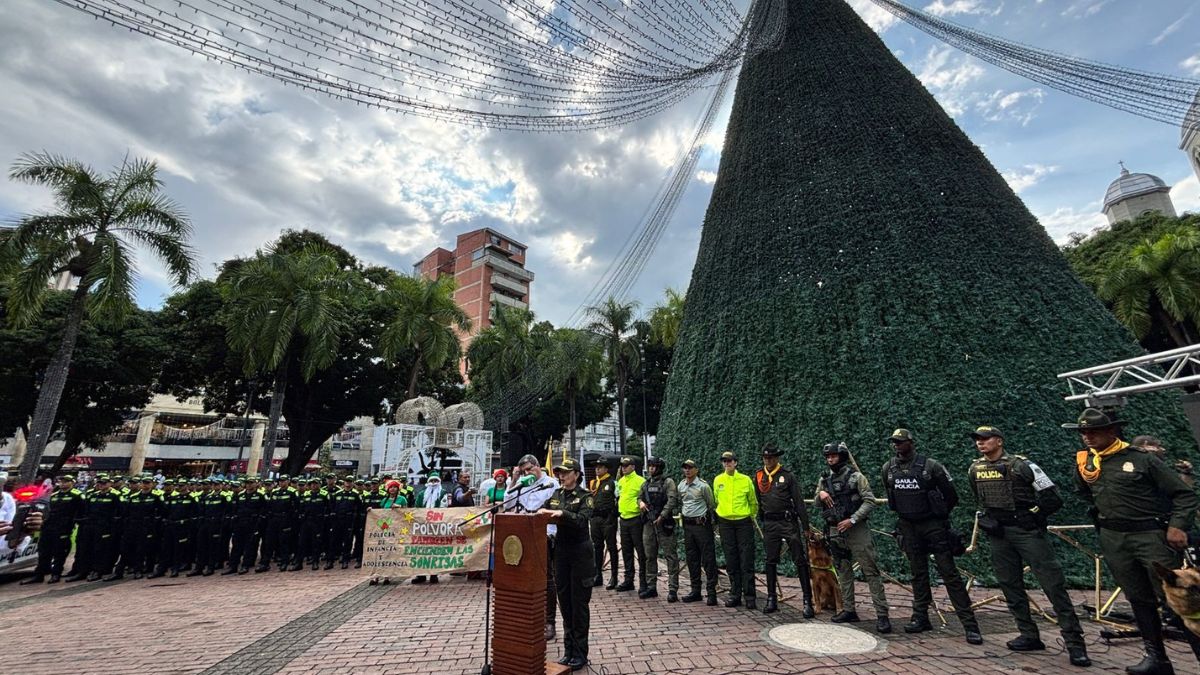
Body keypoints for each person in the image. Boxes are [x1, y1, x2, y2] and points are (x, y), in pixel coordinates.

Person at [1069, 408, 1200, 674]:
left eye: (1093, 431)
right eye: (1083, 432)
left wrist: (1176, 526)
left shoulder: (1142, 460)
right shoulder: (1086, 463)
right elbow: (1085, 493)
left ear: (1111, 431)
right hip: (1115, 539)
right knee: (1138, 599)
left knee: (1177, 599)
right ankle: (1157, 658)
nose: (1087, 437)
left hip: (1149, 536)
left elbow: (1184, 495)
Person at [966, 425, 1089, 667]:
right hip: (999, 534)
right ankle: (1028, 634)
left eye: (985, 439)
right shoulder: (975, 468)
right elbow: (980, 498)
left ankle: (1075, 643)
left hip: (1026, 531)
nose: (980, 443)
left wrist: (1035, 516)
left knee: (1053, 585)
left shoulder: (1023, 465)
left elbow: (1052, 497)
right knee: (1010, 585)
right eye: (977, 440)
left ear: (999, 441)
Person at [881, 428, 982, 644]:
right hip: (908, 526)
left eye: (901, 442)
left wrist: (937, 515)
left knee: (950, 574)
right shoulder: (889, 468)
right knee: (918, 574)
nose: (897, 445)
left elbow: (951, 496)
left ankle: (970, 625)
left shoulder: (931, 466)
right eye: (894, 442)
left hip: (933, 526)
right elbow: (891, 496)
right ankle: (920, 617)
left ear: (911, 442)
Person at [815, 442, 889, 632]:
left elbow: (870, 500)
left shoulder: (856, 477)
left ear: (841, 457)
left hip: (856, 529)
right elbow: (817, 502)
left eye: (834, 456)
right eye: (828, 457)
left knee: (870, 570)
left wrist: (853, 519)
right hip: (835, 530)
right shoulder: (824, 480)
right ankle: (849, 609)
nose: (830, 459)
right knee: (843, 570)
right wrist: (821, 494)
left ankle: (882, 615)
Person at [540, 458, 595, 672]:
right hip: (561, 552)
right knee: (565, 602)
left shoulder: (585, 496)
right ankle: (569, 651)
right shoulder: (555, 495)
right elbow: (542, 512)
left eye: (566, 472)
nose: (561, 476)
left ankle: (580, 653)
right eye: (559, 472)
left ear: (577, 474)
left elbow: (582, 519)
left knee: (579, 604)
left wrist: (563, 514)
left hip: (580, 553)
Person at [755, 443, 814, 617]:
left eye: (771, 457)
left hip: (788, 523)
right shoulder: (758, 476)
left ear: (777, 458)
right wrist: (763, 522)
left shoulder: (787, 476)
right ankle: (771, 598)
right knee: (770, 561)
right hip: (770, 524)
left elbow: (799, 502)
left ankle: (807, 601)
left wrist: (805, 527)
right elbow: (759, 502)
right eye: (765, 458)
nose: (768, 460)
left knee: (800, 560)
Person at [504, 454, 559, 639]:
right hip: (523, 534)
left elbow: (544, 508)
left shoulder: (551, 484)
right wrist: (514, 480)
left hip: (546, 534)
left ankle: (549, 621)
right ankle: (526, 618)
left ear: (537, 466)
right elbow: (508, 503)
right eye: (523, 471)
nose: (527, 473)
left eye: (529, 469)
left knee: (547, 578)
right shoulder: (521, 484)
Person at [23, 474, 85, 584]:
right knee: (43, 551)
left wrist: (74, 523)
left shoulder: (77, 495)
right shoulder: (55, 495)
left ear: (72, 483)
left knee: (59, 552)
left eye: (66, 481)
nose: (63, 484)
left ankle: (56, 574)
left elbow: (82, 511)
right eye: (61, 481)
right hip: (49, 526)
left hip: (64, 527)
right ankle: (39, 575)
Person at [714, 451, 757, 609]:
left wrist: (750, 516)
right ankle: (735, 594)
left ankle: (750, 596)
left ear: (735, 462)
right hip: (725, 523)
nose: (727, 463)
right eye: (724, 461)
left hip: (743, 523)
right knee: (731, 560)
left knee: (746, 559)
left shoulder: (745, 480)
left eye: (729, 461)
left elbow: (753, 501)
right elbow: (716, 499)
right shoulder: (718, 480)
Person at [638, 456, 680, 601]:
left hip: (664, 523)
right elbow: (639, 497)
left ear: (659, 468)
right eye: (649, 466)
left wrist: (662, 516)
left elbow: (672, 499)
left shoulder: (668, 482)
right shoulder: (646, 484)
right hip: (649, 523)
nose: (650, 469)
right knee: (650, 556)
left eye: (653, 466)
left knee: (670, 556)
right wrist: (641, 503)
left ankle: (673, 589)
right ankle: (651, 587)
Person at [66, 474, 123, 582]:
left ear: (110, 484)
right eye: (99, 483)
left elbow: (120, 513)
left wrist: (112, 527)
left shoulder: (116, 495)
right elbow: (86, 510)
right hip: (90, 526)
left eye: (104, 483)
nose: (101, 485)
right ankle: (83, 571)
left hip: (105, 527)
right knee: (86, 548)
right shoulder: (93, 495)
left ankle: (98, 571)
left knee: (100, 549)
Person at [677, 458, 718, 605]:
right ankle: (695, 591)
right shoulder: (681, 485)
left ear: (696, 470)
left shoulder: (703, 486)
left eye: (690, 468)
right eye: (685, 468)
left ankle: (711, 592)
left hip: (701, 526)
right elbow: (680, 502)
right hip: (688, 526)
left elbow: (711, 504)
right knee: (692, 559)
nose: (687, 470)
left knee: (708, 559)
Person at [107, 475, 161, 580]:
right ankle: (119, 572)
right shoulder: (134, 497)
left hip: (145, 526)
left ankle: (138, 570)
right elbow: (126, 513)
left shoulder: (156, 497)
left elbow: (161, 512)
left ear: (152, 484)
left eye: (148, 483)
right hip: (131, 526)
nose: (145, 485)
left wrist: (152, 525)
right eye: (144, 483)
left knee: (140, 550)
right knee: (125, 549)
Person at [614, 456, 647, 595]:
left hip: (636, 519)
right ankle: (629, 580)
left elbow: (644, 499)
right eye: (622, 465)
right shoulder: (621, 481)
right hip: (623, 518)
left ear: (633, 466)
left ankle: (644, 582)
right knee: (627, 551)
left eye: (626, 465)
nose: (623, 467)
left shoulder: (641, 481)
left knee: (640, 551)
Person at [224, 476, 268, 575]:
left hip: (252, 523)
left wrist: (259, 523)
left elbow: (264, 510)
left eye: (251, 483)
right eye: (247, 483)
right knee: (236, 545)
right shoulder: (240, 495)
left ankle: (245, 565)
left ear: (256, 484)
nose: (249, 485)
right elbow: (235, 509)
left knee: (249, 545)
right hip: (240, 523)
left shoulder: (260, 495)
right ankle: (233, 566)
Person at [588, 459, 618, 590]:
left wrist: (613, 515)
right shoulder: (593, 483)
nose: (597, 469)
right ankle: (597, 575)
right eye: (596, 467)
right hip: (595, 519)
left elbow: (618, 499)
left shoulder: (612, 483)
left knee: (611, 547)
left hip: (608, 519)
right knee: (597, 547)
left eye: (600, 467)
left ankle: (614, 576)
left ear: (606, 469)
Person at [259, 474, 299, 572]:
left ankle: (284, 562)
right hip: (274, 519)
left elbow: (296, 508)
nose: (281, 482)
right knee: (269, 542)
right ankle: (265, 563)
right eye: (280, 481)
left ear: (288, 481)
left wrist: (290, 521)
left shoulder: (293, 492)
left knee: (283, 542)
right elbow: (270, 506)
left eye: (284, 481)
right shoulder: (275, 491)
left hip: (285, 519)